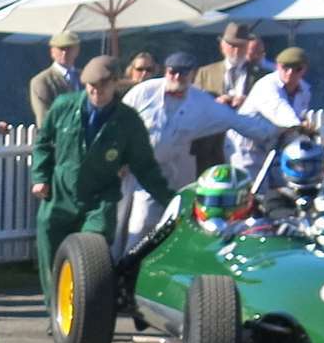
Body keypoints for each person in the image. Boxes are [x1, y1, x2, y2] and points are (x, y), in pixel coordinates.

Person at [30, 57, 170, 295]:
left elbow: (145, 166)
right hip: (60, 194)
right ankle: (56, 311)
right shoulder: (64, 106)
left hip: (100, 197)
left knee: (90, 255)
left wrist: (169, 199)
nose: (96, 92)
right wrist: (40, 176)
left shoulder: (128, 120)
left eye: (102, 86)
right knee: (51, 256)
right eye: (90, 87)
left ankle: (87, 306)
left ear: (115, 83)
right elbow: (43, 142)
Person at [121, 53, 277, 239]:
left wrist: (279, 131)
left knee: (161, 222)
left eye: (183, 73)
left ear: (193, 75)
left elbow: (238, 121)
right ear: (165, 71)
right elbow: (118, 122)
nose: (177, 77)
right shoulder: (144, 92)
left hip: (171, 170)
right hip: (132, 167)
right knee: (125, 223)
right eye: (173, 72)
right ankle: (119, 264)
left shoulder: (202, 103)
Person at [192, 21, 267, 172]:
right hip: (211, 144)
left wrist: (248, 102)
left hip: (246, 146)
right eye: (231, 45)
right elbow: (194, 105)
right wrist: (215, 103)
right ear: (222, 46)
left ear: (247, 47)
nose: (235, 50)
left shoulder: (260, 75)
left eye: (240, 46)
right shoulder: (206, 72)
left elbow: (268, 107)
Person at [229, 46, 313, 178]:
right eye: (285, 68)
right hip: (246, 148)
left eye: (297, 69)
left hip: (273, 147)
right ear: (278, 66)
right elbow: (280, 110)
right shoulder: (267, 85)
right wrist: (301, 126)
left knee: (281, 191)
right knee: (252, 192)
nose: (290, 73)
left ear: (304, 70)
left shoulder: (305, 91)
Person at [28, 32, 83, 123]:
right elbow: (44, 118)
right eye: (61, 48)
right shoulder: (41, 81)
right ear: (52, 52)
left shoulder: (85, 77)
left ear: (77, 50)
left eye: (69, 48)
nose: (64, 52)